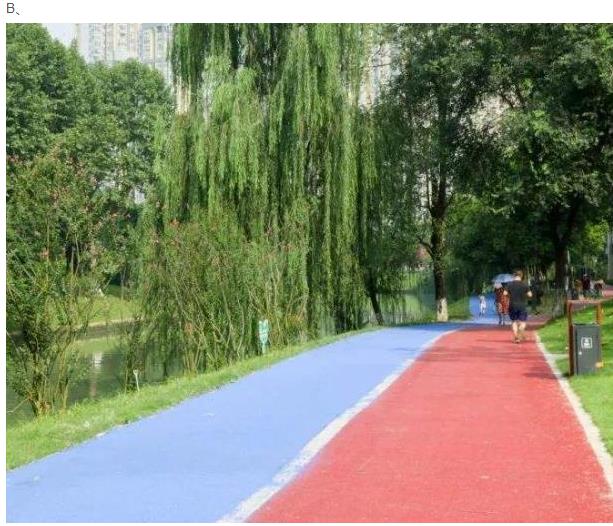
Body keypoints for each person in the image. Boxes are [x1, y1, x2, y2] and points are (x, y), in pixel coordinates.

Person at [504, 270, 532, 343]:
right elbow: (530, 295)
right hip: (522, 305)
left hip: (512, 305)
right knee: (523, 322)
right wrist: (524, 296)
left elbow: (505, 293)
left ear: (514, 276)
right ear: (521, 276)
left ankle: (516, 337)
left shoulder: (509, 284)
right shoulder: (525, 284)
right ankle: (520, 330)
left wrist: (510, 295)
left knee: (514, 321)